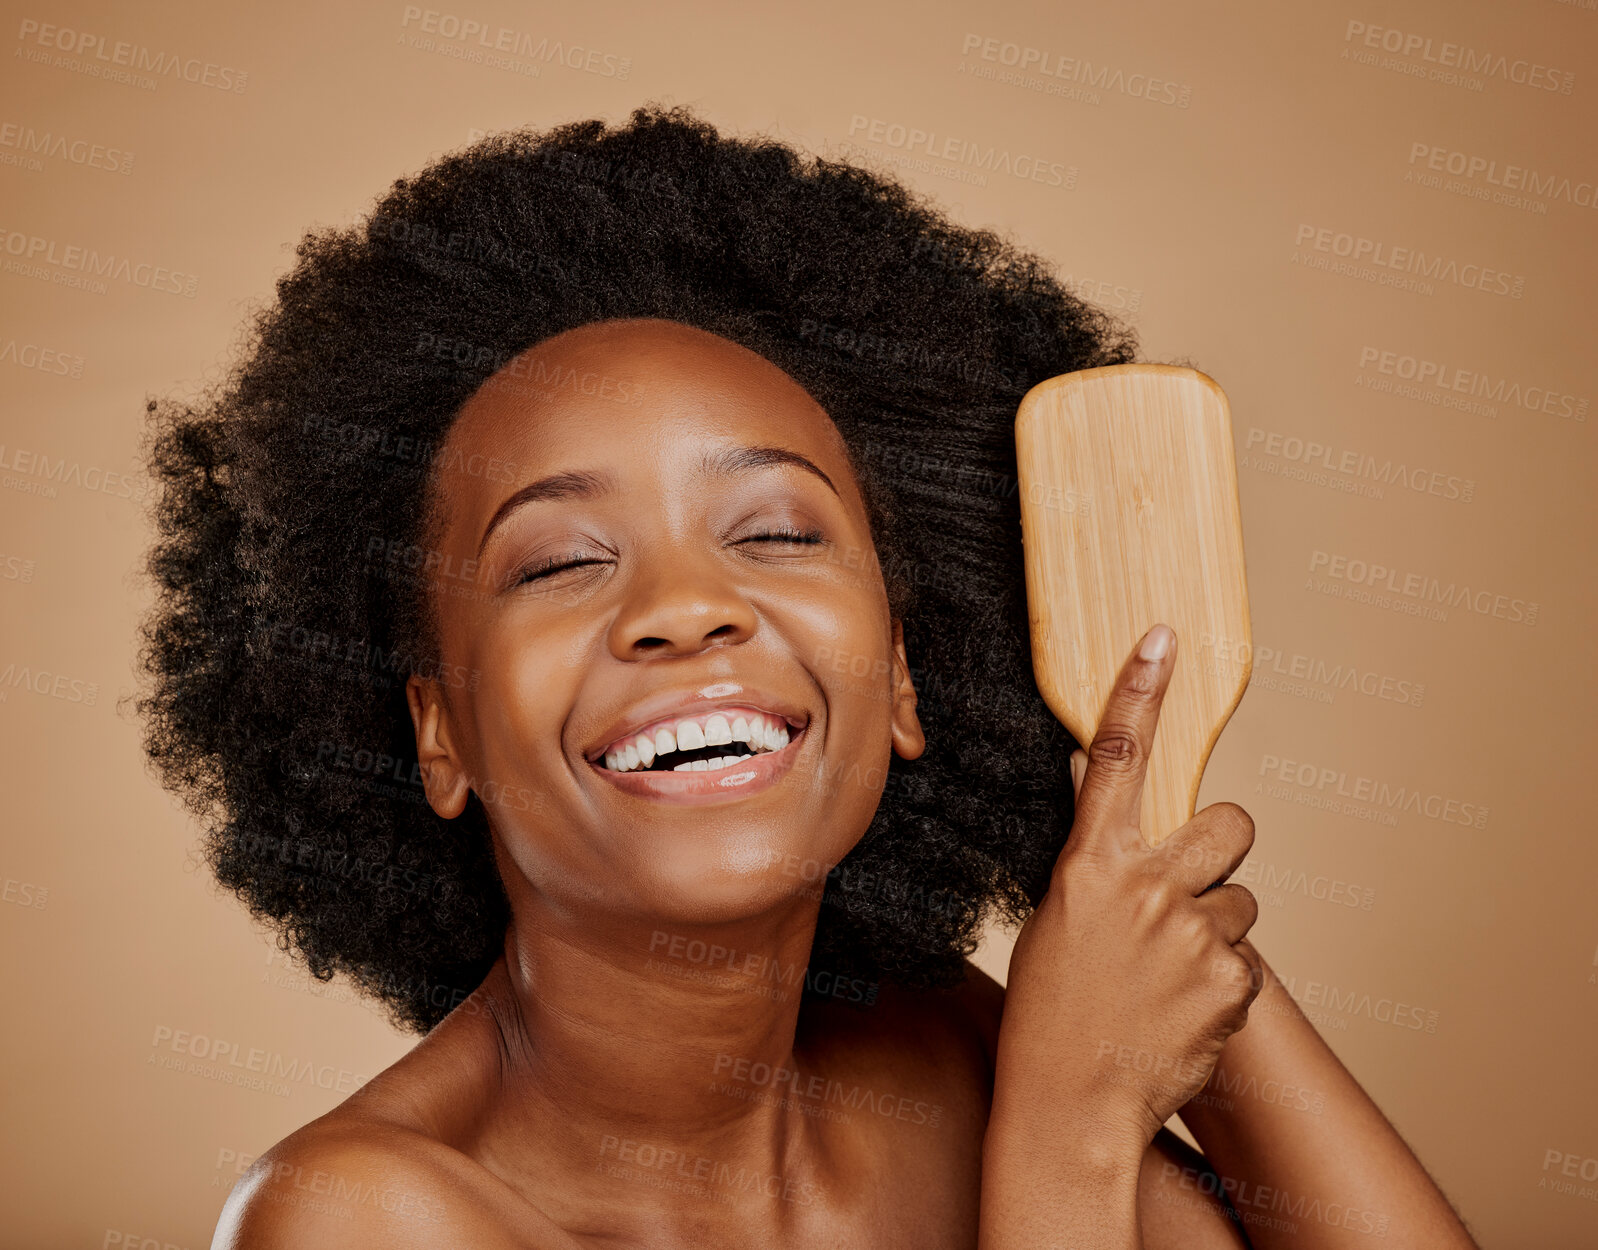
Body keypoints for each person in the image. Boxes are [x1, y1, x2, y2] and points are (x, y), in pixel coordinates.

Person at [137, 103, 1480, 1247]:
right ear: (439, 731)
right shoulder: (360, 1214)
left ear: (907, 670)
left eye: (774, 532)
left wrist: (1128, 842)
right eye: (557, 561)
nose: (683, 610)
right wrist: (1069, 1130)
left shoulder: (942, 1049)